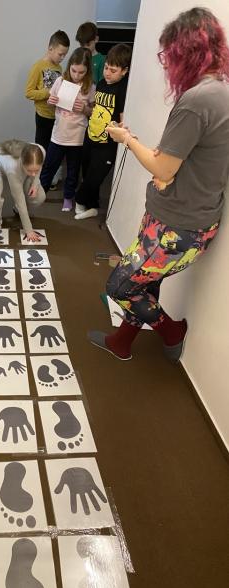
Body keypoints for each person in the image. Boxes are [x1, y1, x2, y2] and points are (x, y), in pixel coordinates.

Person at [88, 7, 229, 362]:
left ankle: (171, 330)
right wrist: (161, 165)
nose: (167, 65)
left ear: (185, 52)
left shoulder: (197, 101)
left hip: (177, 224)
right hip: (191, 215)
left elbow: (163, 169)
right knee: (146, 282)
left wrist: (127, 139)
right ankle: (121, 342)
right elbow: (185, 160)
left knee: (120, 285)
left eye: (169, 56)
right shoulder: (220, 92)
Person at [74, 43, 132, 221]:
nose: (107, 73)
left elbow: (122, 117)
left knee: (96, 176)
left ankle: (79, 200)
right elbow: (96, 108)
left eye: (113, 70)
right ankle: (92, 206)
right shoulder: (100, 83)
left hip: (107, 143)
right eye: (106, 68)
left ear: (124, 71)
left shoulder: (123, 89)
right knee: (87, 171)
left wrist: (123, 133)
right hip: (91, 135)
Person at [40, 48, 95, 212]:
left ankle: (68, 197)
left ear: (87, 71)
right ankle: (40, 193)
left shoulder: (90, 87)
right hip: (58, 135)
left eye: (81, 72)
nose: (77, 75)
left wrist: (84, 109)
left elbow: (93, 112)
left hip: (76, 138)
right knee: (49, 166)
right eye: (74, 71)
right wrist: (51, 101)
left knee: (73, 171)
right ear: (69, 66)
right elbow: (51, 101)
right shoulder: (60, 81)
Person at [0, 140, 46, 242]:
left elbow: (38, 167)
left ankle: (16, 211)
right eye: (30, 170)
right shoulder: (13, 168)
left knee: (39, 197)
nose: (34, 174)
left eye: (36, 170)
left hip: (19, 168)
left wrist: (35, 184)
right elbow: (19, 200)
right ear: (23, 162)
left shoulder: (40, 151)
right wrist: (28, 230)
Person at [25, 30, 70, 152]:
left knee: (52, 149)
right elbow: (28, 92)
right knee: (41, 149)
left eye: (65, 55)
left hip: (56, 115)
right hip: (43, 116)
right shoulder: (38, 67)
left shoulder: (59, 68)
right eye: (60, 54)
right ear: (50, 49)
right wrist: (48, 92)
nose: (63, 58)